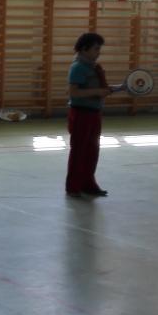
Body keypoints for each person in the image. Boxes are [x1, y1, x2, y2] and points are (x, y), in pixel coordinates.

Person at [66, 32, 114, 199]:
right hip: (81, 114)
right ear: (84, 49)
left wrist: (113, 89)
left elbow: (96, 89)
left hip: (94, 113)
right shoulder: (78, 67)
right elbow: (73, 92)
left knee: (92, 151)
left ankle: (88, 184)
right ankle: (73, 187)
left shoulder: (93, 67)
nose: (99, 52)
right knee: (79, 151)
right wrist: (98, 92)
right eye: (96, 49)